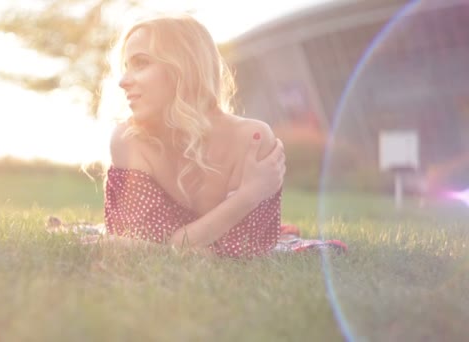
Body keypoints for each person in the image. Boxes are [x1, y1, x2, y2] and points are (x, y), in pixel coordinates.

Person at [55, 14, 346, 257]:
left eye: (141, 63)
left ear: (184, 68)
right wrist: (248, 194)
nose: (123, 81)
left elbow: (242, 249)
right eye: (126, 67)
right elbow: (156, 246)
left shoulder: (252, 138)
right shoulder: (128, 138)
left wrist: (167, 246)